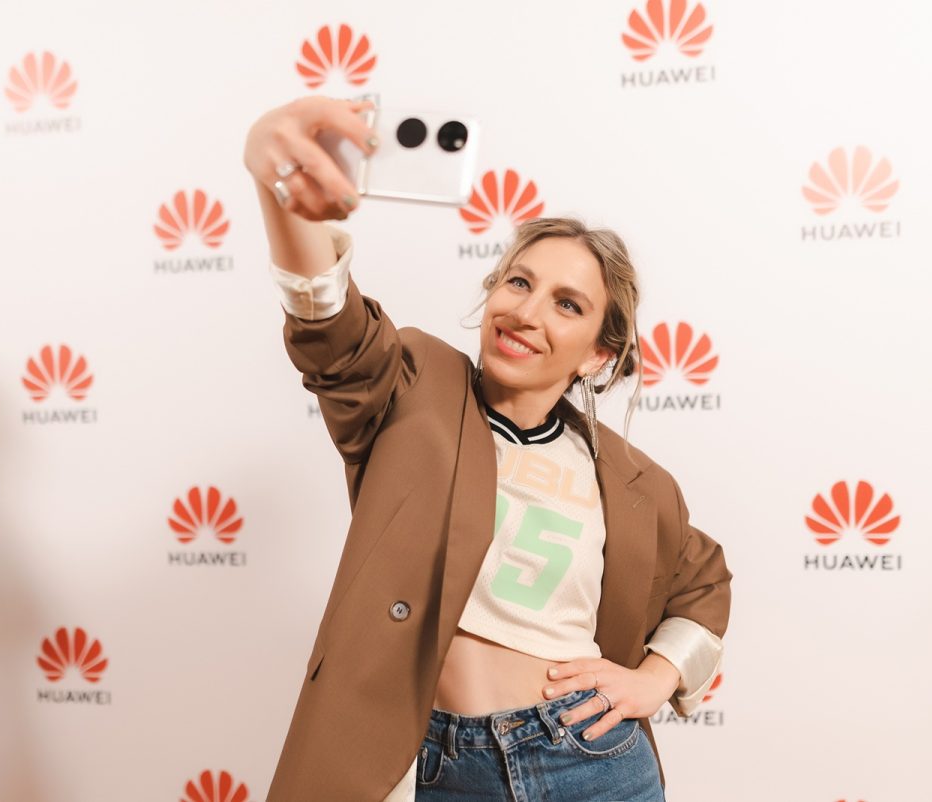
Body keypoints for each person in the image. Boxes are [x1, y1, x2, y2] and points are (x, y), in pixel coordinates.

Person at [243, 96, 732, 802]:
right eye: (519, 282)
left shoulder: (636, 481)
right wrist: (281, 193)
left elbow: (704, 584)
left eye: (567, 304)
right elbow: (333, 331)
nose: (526, 312)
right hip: (437, 767)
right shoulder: (416, 386)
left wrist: (655, 679)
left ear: (598, 354)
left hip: (591, 763)